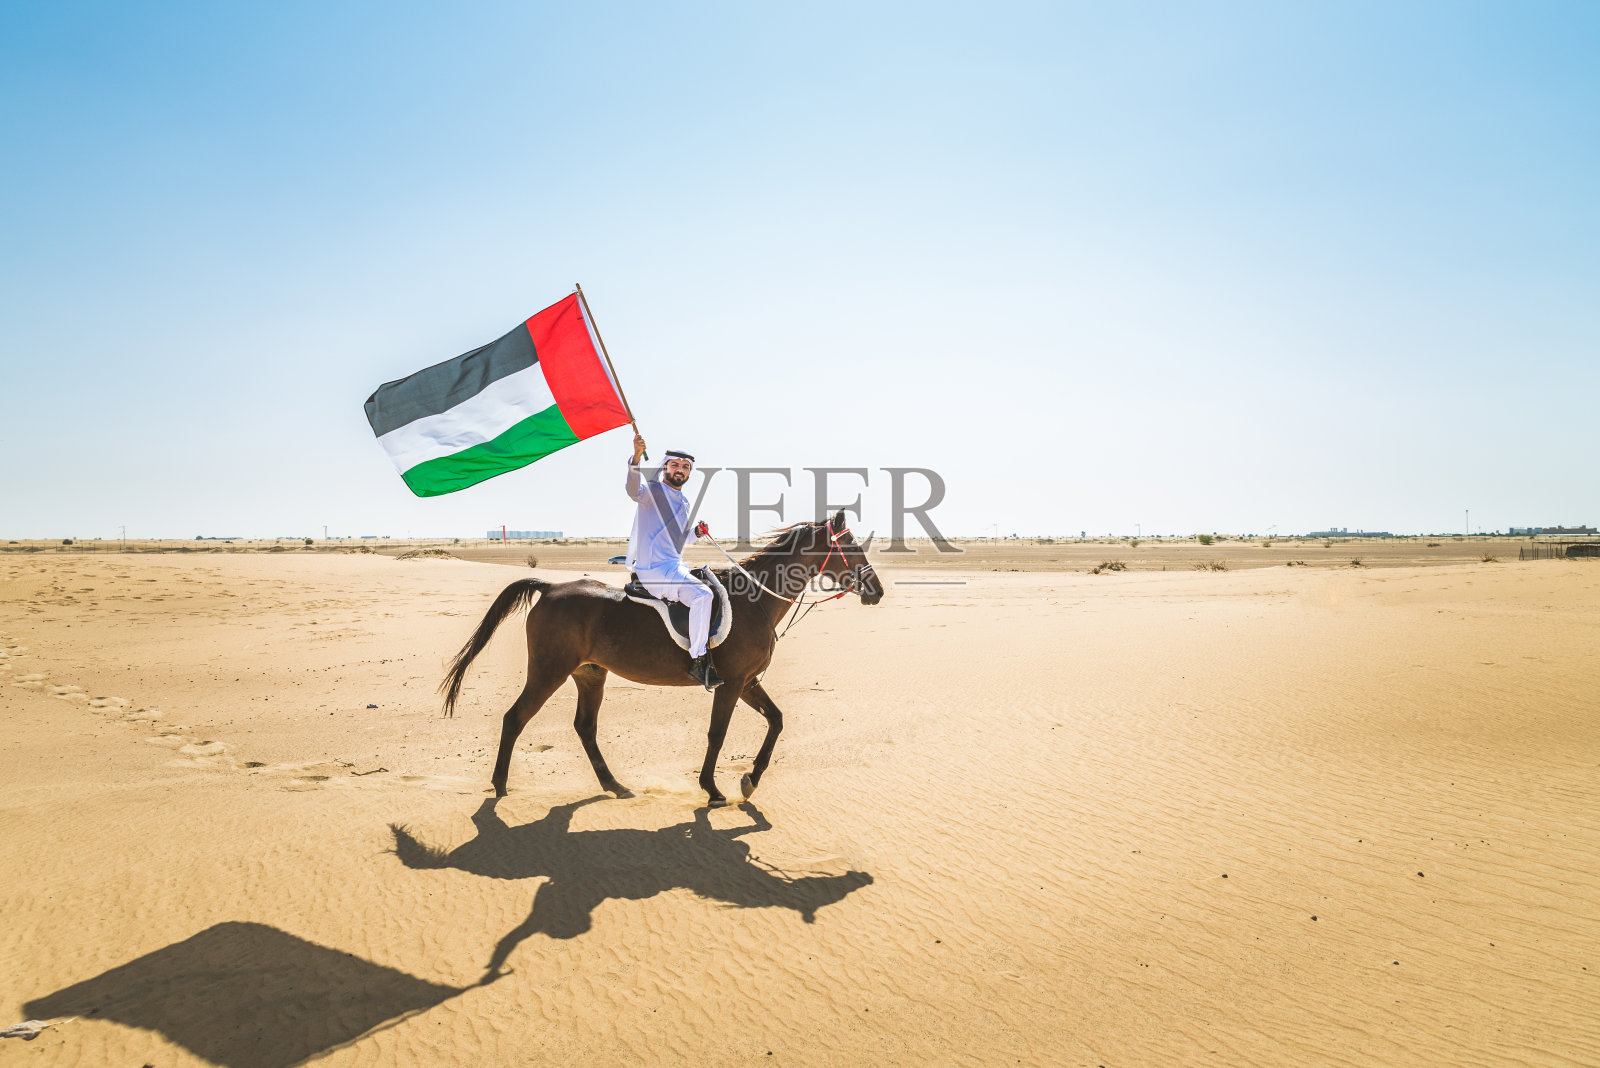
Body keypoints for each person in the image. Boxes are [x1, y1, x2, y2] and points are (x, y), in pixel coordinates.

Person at [626, 433, 721, 690]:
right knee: (702, 596)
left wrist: (697, 533)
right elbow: (633, 490)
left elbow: (680, 540)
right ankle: (698, 660)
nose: (680, 470)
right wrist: (635, 457)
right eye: (675, 465)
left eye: (685, 467)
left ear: (689, 473)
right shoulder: (653, 491)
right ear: (665, 467)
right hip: (654, 570)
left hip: (674, 566)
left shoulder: (684, 501)